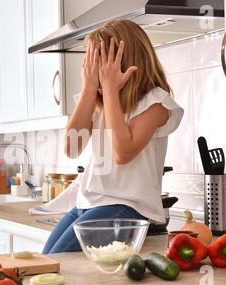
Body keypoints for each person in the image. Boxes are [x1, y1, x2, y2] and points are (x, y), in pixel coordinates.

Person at [43, 19, 184, 254]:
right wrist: (89, 89)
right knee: (47, 260)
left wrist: (110, 90)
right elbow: (72, 148)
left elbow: (122, 153)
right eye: (90, 60)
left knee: (59, 261)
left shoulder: (156, 102)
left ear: (122, 60)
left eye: (98, 59)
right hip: (87, 202)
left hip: (126, 206)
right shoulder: (97, 102)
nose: (91, 67)